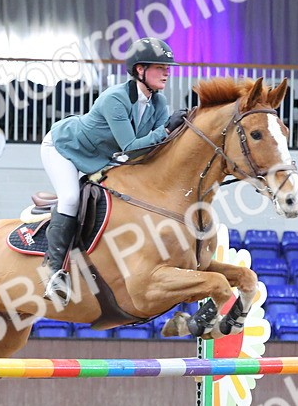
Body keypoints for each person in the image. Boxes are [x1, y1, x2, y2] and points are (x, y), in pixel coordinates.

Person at [39, 37, 188, 303]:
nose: (167, 72)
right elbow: (130, 147)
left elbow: (160, 147)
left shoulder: (158, 103)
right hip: (64, 148)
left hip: (101, 159)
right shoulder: (115, 99)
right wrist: (166, 129)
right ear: (140, 70)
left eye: (168, 68)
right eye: (160, 67)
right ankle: (54, 273)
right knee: (71, 198)